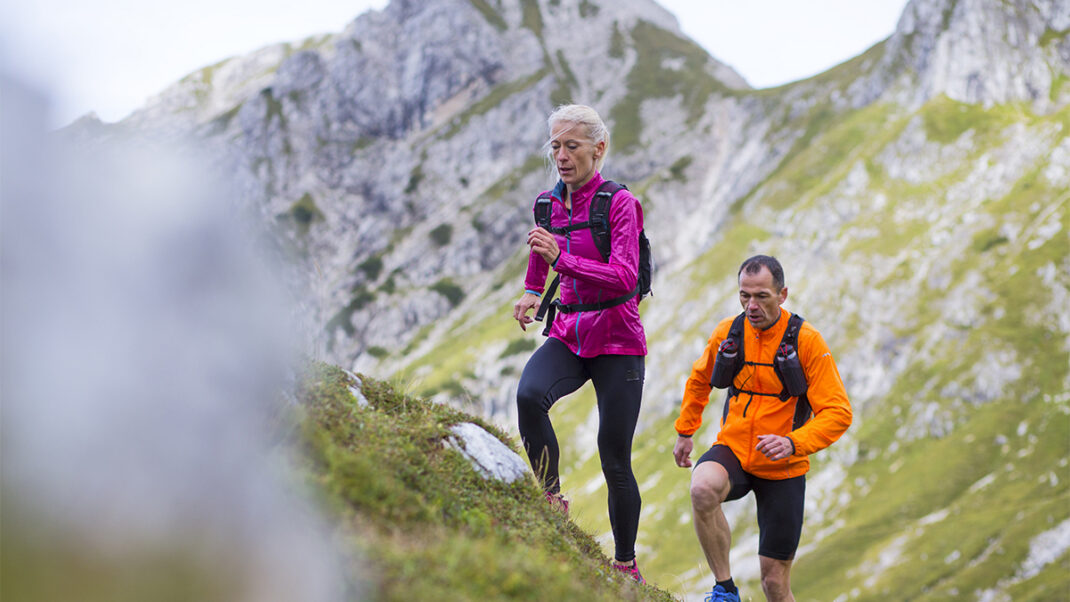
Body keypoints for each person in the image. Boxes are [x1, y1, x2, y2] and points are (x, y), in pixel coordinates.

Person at [512, 104, 648, 584]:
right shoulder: (546, 204)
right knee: (529, 395)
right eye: (555, 146)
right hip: (569, 331)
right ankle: (552, 499)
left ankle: (626, 565)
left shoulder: (619, 204)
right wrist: (532, 291)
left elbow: (624, 276)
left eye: (572, 146)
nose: (562, 156)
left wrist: (562, 259)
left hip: (618, 340)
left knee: (614, 457)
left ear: (599, 147)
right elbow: (540, 252)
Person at [672, 255, 852, 602]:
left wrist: (793, 442)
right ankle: (724, 590)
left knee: (774, 583)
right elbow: (699, 380)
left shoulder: (807, 341)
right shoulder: (729, 332)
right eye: (744, 296)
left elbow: (838, 412)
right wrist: (685, 430)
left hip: (783, 467)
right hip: (736, 450)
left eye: (761, 297)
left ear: (782, 294)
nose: (751, 305)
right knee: (702, 489)